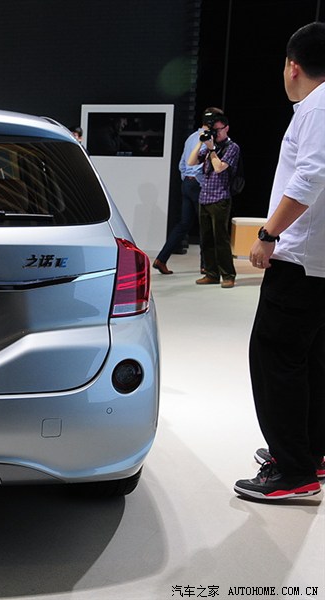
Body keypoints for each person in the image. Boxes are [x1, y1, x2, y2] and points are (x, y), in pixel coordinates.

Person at [233, 22, 325, 501]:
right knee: (310, 360)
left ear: (293, 66)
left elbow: (310, 177)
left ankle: (292, 471)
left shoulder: (317, 106)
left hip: (299, 259)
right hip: (318, 262)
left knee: (275, 359)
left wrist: (268, 234)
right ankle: (310, 453)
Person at [153, 107, 223, 275]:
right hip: (199, 185)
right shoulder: (209, 140)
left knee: (184, 224)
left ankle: (161, 259)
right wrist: (200, 179)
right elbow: (203, 164)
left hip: (187, 184)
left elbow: (182, 164)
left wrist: (187, 178)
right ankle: (205, 265)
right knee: (205, 225)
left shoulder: (191, 137)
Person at [187, 113, 240, 288]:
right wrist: (201, 141)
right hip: (204, 198)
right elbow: (191, 162)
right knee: (206, 239)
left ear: (226, 128)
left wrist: (211, 150)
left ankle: (228, 275)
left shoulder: (232, 147)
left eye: (218, 130)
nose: (215, 134)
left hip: (220, 198)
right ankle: (211, 274)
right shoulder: (211, 146)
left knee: (221, 239)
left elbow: (219, 168)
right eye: (213, 130)